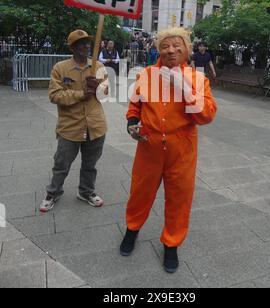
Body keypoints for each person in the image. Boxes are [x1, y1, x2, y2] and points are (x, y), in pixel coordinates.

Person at [120, 27, 217, 273]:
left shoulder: (198, 79)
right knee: (139, 192)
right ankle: (132, 229)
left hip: (182, 151)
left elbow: (206, 116)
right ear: (158, 49)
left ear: (187, 50)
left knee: (179, 199)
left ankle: (171, 244)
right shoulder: (146, 75)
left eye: (177, 46)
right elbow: (135, 106)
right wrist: (132, 124)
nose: (171, 50)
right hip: (149, 149)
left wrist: (183, 88)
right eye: (165, 45)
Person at [40, 30, 109, 213]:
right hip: (70, 126)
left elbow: (105, 94)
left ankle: (86, 192)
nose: (86, 46)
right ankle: (53, 192)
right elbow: (54, 95)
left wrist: (98, 89)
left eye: (87, 43)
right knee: (61, 163)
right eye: (81, 44)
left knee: (90, 164)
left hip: (95, 126)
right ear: (72, 47)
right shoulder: (60, 68)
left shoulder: (99, 67)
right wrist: (80, 94)